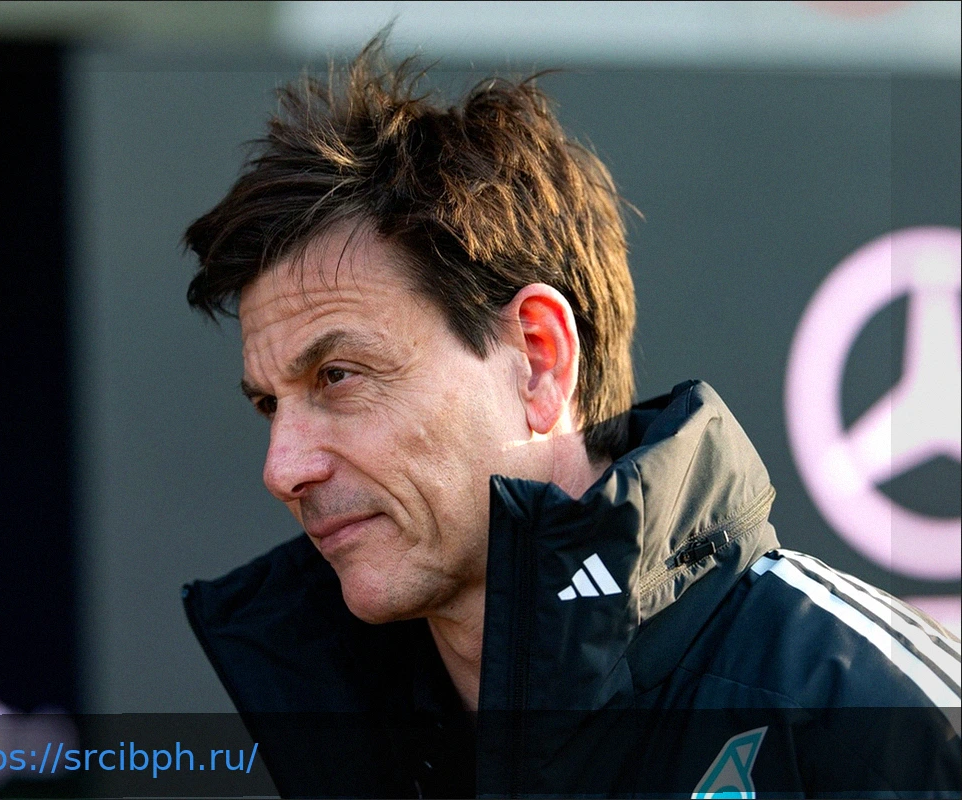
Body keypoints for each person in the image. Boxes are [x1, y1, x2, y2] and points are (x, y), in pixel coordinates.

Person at [179, 38, 960, 798]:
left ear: (539, 359)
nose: (283, 469)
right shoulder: (313, 733)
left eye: (338, 376)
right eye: (269, 404)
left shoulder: (877, 722)